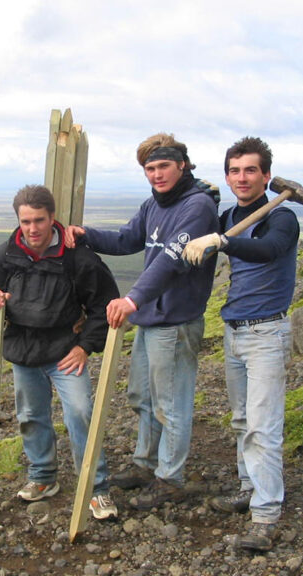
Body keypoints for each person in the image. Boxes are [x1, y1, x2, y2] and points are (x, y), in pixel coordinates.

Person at [65, 133, 219, 510]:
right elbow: (127, 239)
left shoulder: (196, 207)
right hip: (152, 319)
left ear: (182, 164)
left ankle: (170, 478)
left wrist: (132, 299)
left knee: (171, 403)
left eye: (163, 166)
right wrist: (87, 235)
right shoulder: (154, 205)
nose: (156, 174)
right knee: (142, 398)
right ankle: (146, 464)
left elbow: (171, 259)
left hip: (175, 320)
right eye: (149, 169)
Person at [0, 185, 121, 520]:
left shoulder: (77, 257)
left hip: (66, 351)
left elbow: (103, 304)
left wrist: (85, 347)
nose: (33, 228)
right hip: (24, 351)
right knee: (30, 416)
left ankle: (96, 488)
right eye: (26, 221)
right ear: (18, 220)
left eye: (39, 220)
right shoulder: (4, 256)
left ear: (52, 218)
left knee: (81, 414)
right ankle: (43, 477)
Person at [183, 136, 299, 551]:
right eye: (234, 170)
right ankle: (250, 488)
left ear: (266, 176)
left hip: (267, 333)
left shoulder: (282, 218)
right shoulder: (230, 214)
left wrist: (224, 240)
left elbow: (268, 251)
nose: (242, 177)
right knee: (241, 422)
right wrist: (199, 199)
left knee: (263, 428)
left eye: (251, 170)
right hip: (234, 330)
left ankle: (265, 516)